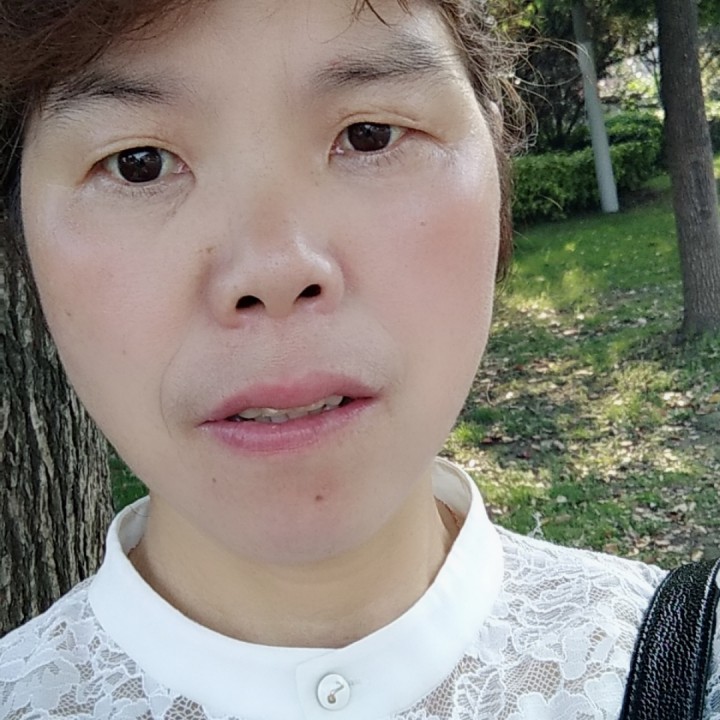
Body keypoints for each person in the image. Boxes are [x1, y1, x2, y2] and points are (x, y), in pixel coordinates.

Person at [0, 1, 717, 718]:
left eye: (370, 136)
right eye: (138, 165)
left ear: (499, 165)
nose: (275, 269)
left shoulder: (686, 668)